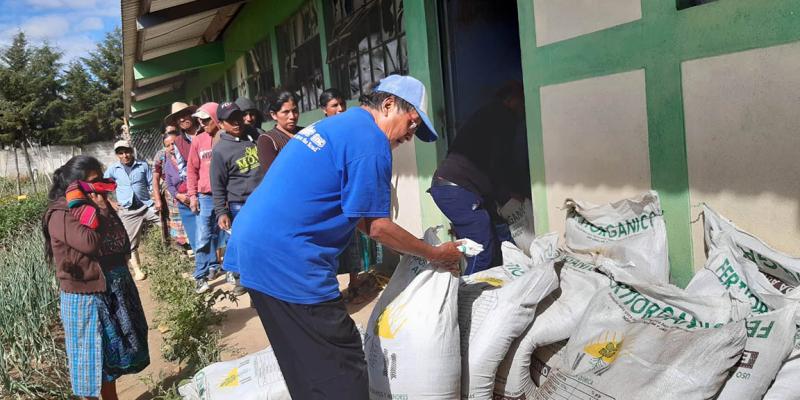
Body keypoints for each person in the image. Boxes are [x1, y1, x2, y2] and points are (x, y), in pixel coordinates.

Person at [223, 75, 463, 399]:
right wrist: (434, 254)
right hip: (289, 260)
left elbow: (361, 218)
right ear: (389, 104)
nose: (410, 136)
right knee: (344, 366)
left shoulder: (344, 125)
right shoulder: (372, 143)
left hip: (253, 251)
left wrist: (412, 250)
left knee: (303, 365)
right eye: (412, 123)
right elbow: (377, 226)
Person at [43, 155, 149, 400]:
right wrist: (101, 209)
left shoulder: (91, 205)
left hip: (110, 289)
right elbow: (89, 243)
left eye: (101, 178)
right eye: (94, 180)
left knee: (108, 364)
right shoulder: (61, 213)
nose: (100, 184)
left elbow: (121, 238)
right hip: (87, 297)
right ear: (76, 184)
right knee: (91, 364)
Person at [429, 82, 527, 275]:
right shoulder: (502, 116)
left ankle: (496, 287)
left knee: (497, 233)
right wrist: (507, 197)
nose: (523, 107)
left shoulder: (489, 114)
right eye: (521, 101)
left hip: (457, 187)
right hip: (457, 189)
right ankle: (468, 298)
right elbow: (498, 162)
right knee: (481, 248)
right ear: (510, 99)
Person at [210, 102, 262, 296]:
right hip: (241, 205)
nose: (237, 123)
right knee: (246, 246)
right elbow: (217, 185)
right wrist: (221, 212)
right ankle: (247, 284)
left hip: (264, 200)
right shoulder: (220, 151)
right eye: (231, 120)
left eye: (238, 117)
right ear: (222, 124)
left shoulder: (255, 135)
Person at [104, 140, 160, 281]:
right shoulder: (113, 169)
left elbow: (151, 184)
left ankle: (182, 250)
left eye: (127, 151)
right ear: (117, 155)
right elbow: (101, 186)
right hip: (128, 210)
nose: (125, 155)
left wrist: (155, 199)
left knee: (167, 224)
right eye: (121, 153)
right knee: (130, 242)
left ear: (132, 151)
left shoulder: (142, 165)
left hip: (146, 206)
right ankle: (137, 270)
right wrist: (110, 202)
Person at [187, 102, 223, 294]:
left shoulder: (225, 137)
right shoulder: (198, 140)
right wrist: (193, 196)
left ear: (216, 118)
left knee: (226, 235)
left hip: (225, 195)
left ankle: (231, 271)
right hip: (206, 197)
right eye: (200, 120)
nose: (202, 123)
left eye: (206, 119)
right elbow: (191, 170)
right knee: (203, 237)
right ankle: (200, 276)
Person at [256, 91, 303, 177]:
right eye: (286, 112)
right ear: (274, 115)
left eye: (295, 111)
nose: (292, 116)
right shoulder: (267, 140)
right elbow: (273, 176)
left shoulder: (306, 132)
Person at [159, 131, 191, 248]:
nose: (171, 147)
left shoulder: (189, 155)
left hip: (195, 196)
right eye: (168, 146)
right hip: (181, 200)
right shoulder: (167, 164)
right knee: (185, 229)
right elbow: (170, 185)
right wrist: (179, 196)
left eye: (173, 143)